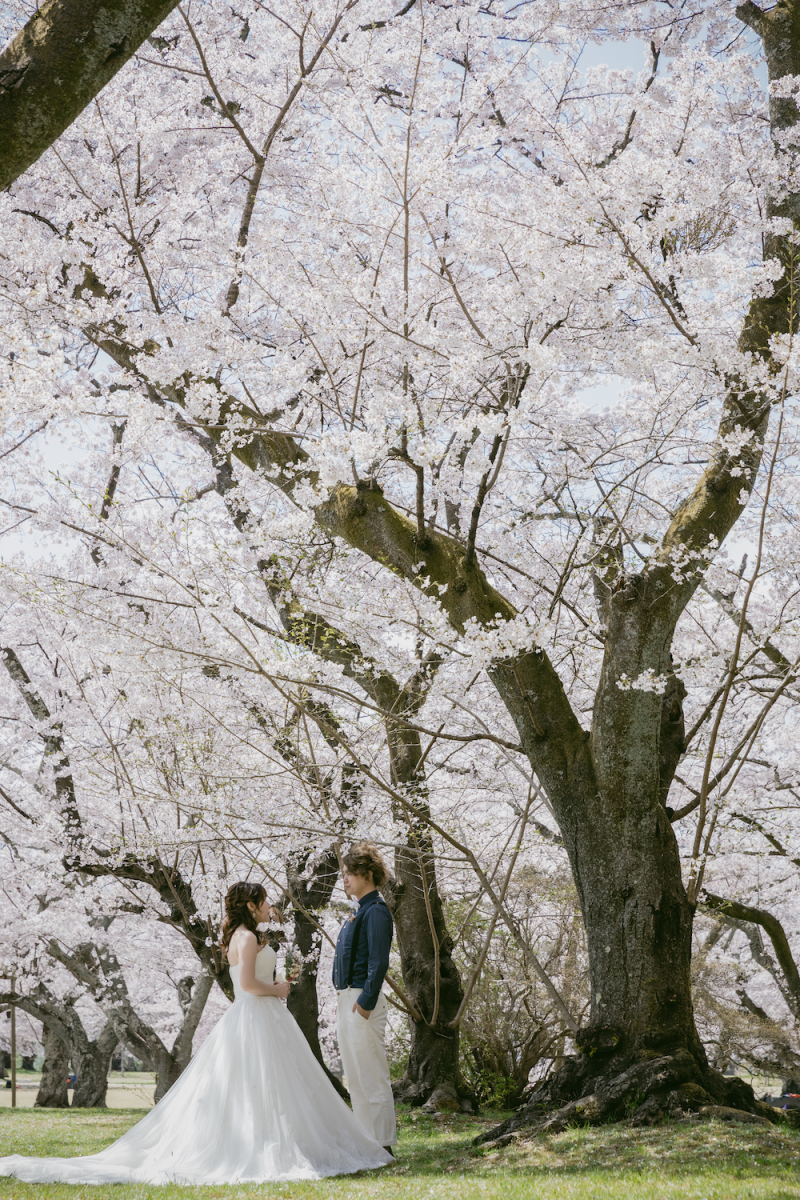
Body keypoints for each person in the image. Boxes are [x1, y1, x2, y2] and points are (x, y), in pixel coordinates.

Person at [0, 881, 392, 1184]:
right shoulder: (247, 937)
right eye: (265, 901)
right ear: (252, 905)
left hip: (259, 1016)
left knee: (267, 1082)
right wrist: (279, 988)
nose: (271, 907)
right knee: (265, 1080)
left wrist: (274, 983)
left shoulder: (246, 936)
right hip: (257, 1011)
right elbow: (249, 985)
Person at [332, 842, 397, 1156]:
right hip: (346, 1000)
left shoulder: (376, 911)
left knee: (371, 1077)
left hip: (362, 1001)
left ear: (367, 874)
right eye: (343, 874)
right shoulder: (358, 911)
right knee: (355, 1080)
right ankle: (366, 1145)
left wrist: (365, 1003)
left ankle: (383, 1146)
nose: (344, 879)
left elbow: (378, 962)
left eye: (350, 873)